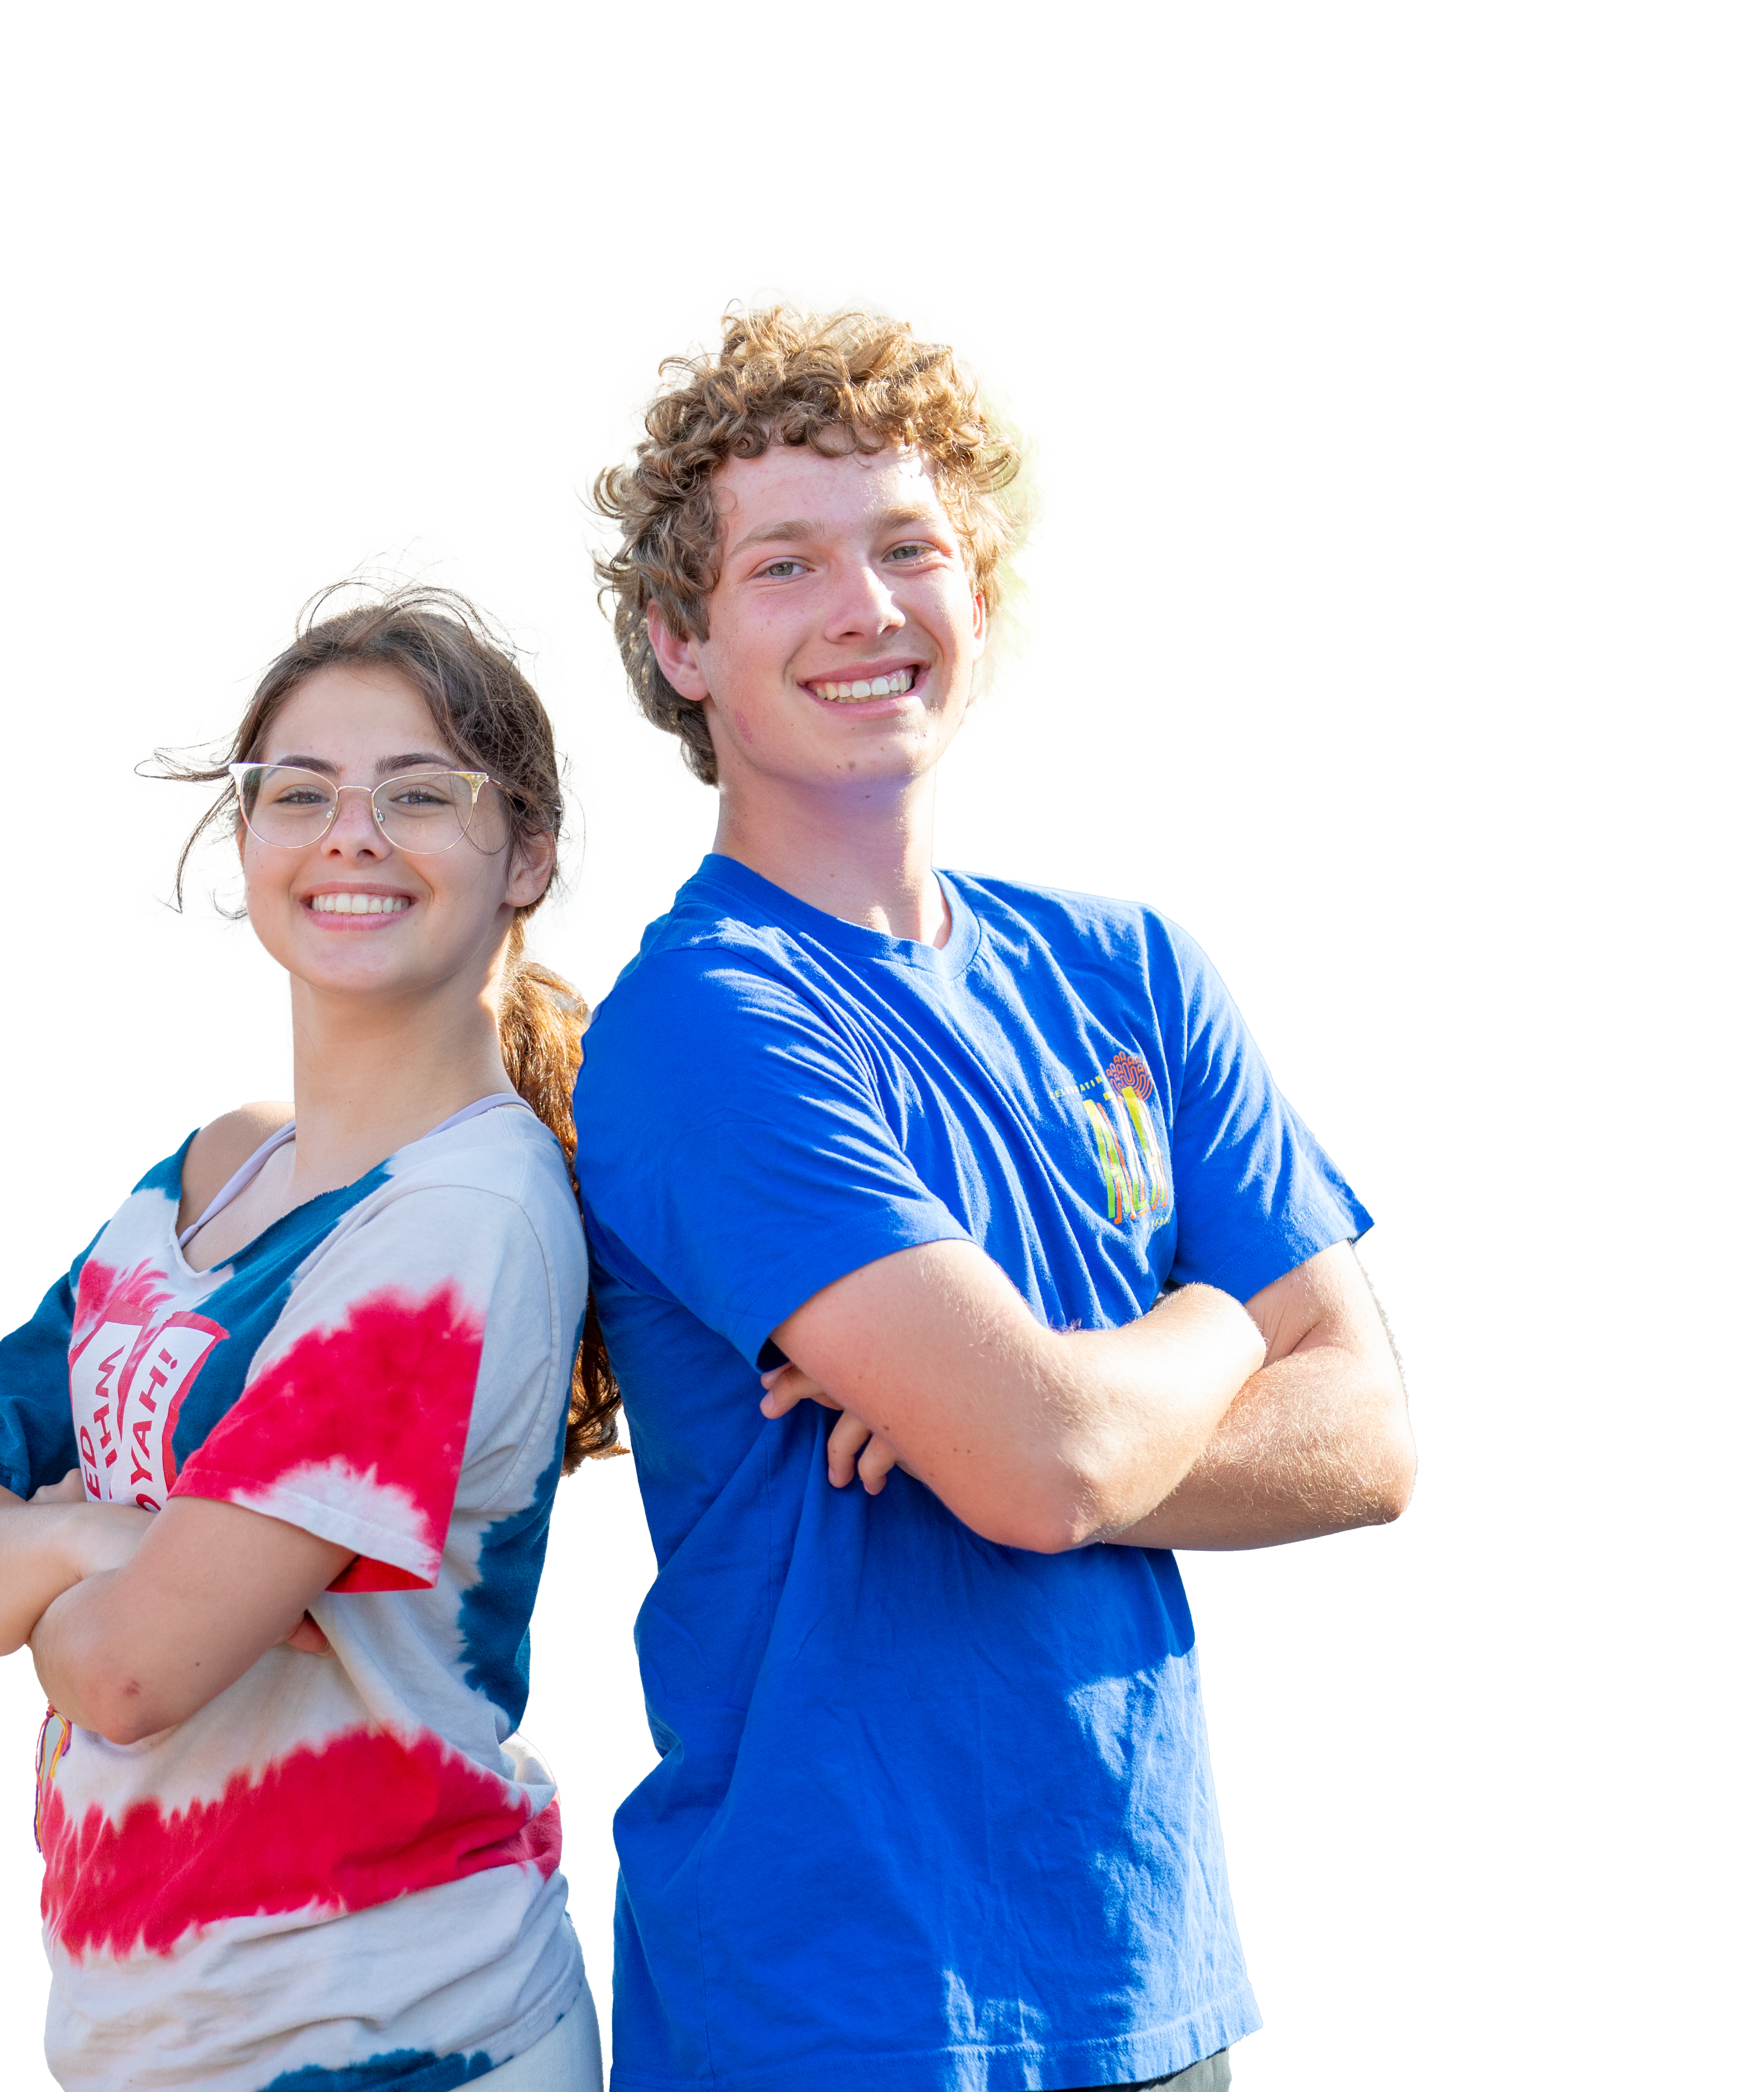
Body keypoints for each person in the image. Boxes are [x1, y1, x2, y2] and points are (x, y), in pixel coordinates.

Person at [573, 298, 1418, 2092]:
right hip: (831, 1995)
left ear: (985, 594)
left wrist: (1066, 1413)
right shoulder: (707, 1026)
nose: (866, 610)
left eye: (910, 547)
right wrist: (1210, 1320)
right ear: (680, 640)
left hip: (1135, 1954)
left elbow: (1367, 1438)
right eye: (784, 564)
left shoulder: (1132, 971)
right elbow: (1042, 1471)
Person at [0, 571, 615, 2092]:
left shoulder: (458, 1226)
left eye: (421, 794)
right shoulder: (215, 1172)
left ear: (526, 853)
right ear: (245, 838)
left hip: (389, 2038)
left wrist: (79, 1561)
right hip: (160, 2038)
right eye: (302, 792)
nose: (353, 834)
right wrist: (102, 1548)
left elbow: (133, 1675)